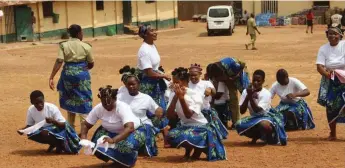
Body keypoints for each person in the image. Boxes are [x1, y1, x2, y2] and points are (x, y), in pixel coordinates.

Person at [80, 86, 155, 167]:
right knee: (96, 145)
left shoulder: (122, 107)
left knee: (126, 146)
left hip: (134, 131)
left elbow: (130, 128)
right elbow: (85, 124)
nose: (107, 106)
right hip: (111, 132)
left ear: (115, 99)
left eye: (110, 102)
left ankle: (128, 161)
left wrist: (113, 140)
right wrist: (83, 139)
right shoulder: (99, 108)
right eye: (104, 104)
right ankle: (116, 159)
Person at [166, 67, 226, 161]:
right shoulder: (173, 94)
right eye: (174, 82)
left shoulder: (195, 95)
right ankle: (188, 152)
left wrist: (181, 99)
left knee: (186, 136)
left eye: (177, 82)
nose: (174, 85)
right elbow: (169, 115)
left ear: (185, 82)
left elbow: (188, 115)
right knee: (171, 136)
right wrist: (175, 98)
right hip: (185, 125)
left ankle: (198, 151)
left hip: (200, 127)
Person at [49, 24, 94, 130]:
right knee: (84, 99)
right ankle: (84, 130)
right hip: (82, 76)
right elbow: (91, 63)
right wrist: (82, 69)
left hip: (67, 76)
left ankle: (71, 129)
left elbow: (59, 61)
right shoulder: (86, 46)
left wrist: (51, 77)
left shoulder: (63, 45)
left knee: (70, 99)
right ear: (79, 33)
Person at [137, 24, 171, 147]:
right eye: (152, 31)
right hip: (148, 85)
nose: (155, 32)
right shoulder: (144, 50)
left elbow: (154, 68)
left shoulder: (152, 45)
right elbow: (148, 71)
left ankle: (165, 138)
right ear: (145, 34)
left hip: (155, 83)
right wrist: (163, 76)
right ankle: (150, 137)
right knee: (152, 111)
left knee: (161, 108)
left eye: (155, 30)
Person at [117, 66, 163, 156]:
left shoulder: (146, 98)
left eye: (133, 84)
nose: (131, 86)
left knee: (129, 145)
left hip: (141, 126)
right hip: (124, 126)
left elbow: (158, 110)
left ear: (138, 84)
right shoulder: (120, 97)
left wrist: (159, 111)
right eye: (128, 84)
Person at [235, 70, 287, 145]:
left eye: (258, 81)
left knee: (263, 125)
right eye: (254, 80)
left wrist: (250, 96)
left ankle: (269, 138)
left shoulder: (266, 93)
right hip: (254, 118)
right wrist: (247, 96)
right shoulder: (246, 92)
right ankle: (256, 136)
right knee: (238, 124)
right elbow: (242, 111)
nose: (255, 83)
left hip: (266, 116)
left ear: (263, 81)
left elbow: (257, 110)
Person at [316, 25, 345, 141]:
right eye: (330, 33)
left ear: (340, 35)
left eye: (335, 34)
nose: (332, 36)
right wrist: (329, 75)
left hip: (344, 78)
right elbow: (319, 66)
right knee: (330, 106)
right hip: (330, 80)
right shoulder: (323, 48)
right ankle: (333, 133)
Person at [206, 57, 250, 129]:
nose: (218, 79)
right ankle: (236, 122)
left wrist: (234, 77)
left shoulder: (233, 64)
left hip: (239, 75)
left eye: (219, 78)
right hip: (229, 78)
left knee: (246, 94)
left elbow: (242, 65)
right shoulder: (215, 68)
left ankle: (253, 115)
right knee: (233, 99)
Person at [188, 63, 228, 139]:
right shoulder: (187, 84)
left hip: (204, 112)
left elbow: (214, 92)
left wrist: (210, 90)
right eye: (191, 75)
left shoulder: (206, 83)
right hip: (191, 113)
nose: (193, 77)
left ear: (200, 74)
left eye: (195, 75)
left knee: (209, 134)